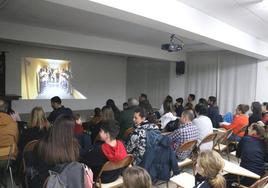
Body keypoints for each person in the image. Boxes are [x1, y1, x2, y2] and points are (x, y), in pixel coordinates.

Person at [27, 115, 85, 187]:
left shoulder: (41, 144)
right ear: (70, 131)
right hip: (65, 184)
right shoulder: (73, 146)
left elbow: (36, 166)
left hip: (43, 183)